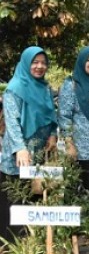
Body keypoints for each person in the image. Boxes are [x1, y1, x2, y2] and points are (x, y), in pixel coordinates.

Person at [0, 46, 57, 241]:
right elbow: (12, 122)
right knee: (15, 195)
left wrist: (53, 134)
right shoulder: (14, 89)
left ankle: (33, 240)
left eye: (43, 63)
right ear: (26, 63)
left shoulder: (45, 88)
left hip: (39, 151)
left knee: (34, 193)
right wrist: (20, 149)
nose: (40, 67)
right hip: (19, 154)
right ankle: (12, 244)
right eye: (35, 62)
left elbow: (51, 114)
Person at [58, 46, 89, 204]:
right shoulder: (71, 84)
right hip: (82, 149)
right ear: (81, 62)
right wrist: (69, 143)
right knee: (83, 192)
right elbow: (64, 116)